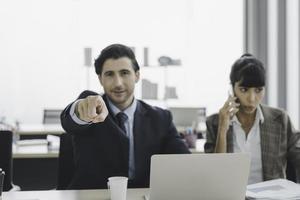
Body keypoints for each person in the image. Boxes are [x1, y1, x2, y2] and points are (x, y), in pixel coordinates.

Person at [60, 44, 190, 189]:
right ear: (100, 79)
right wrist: (81, 109)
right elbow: (69, 120)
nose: (118, 83)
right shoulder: (92, 107)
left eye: (124, 73)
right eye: (109, 74)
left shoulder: (161, 118)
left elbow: (185, 162)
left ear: (137, 75)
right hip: (95, 196)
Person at [205, 53, 300, 184]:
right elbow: (214, 173)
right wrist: (222, 129)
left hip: (271, 197)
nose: (251, 98)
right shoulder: (215, 123)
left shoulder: (280, 119)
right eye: (244, 90)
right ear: (233, 88)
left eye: (258, 90)